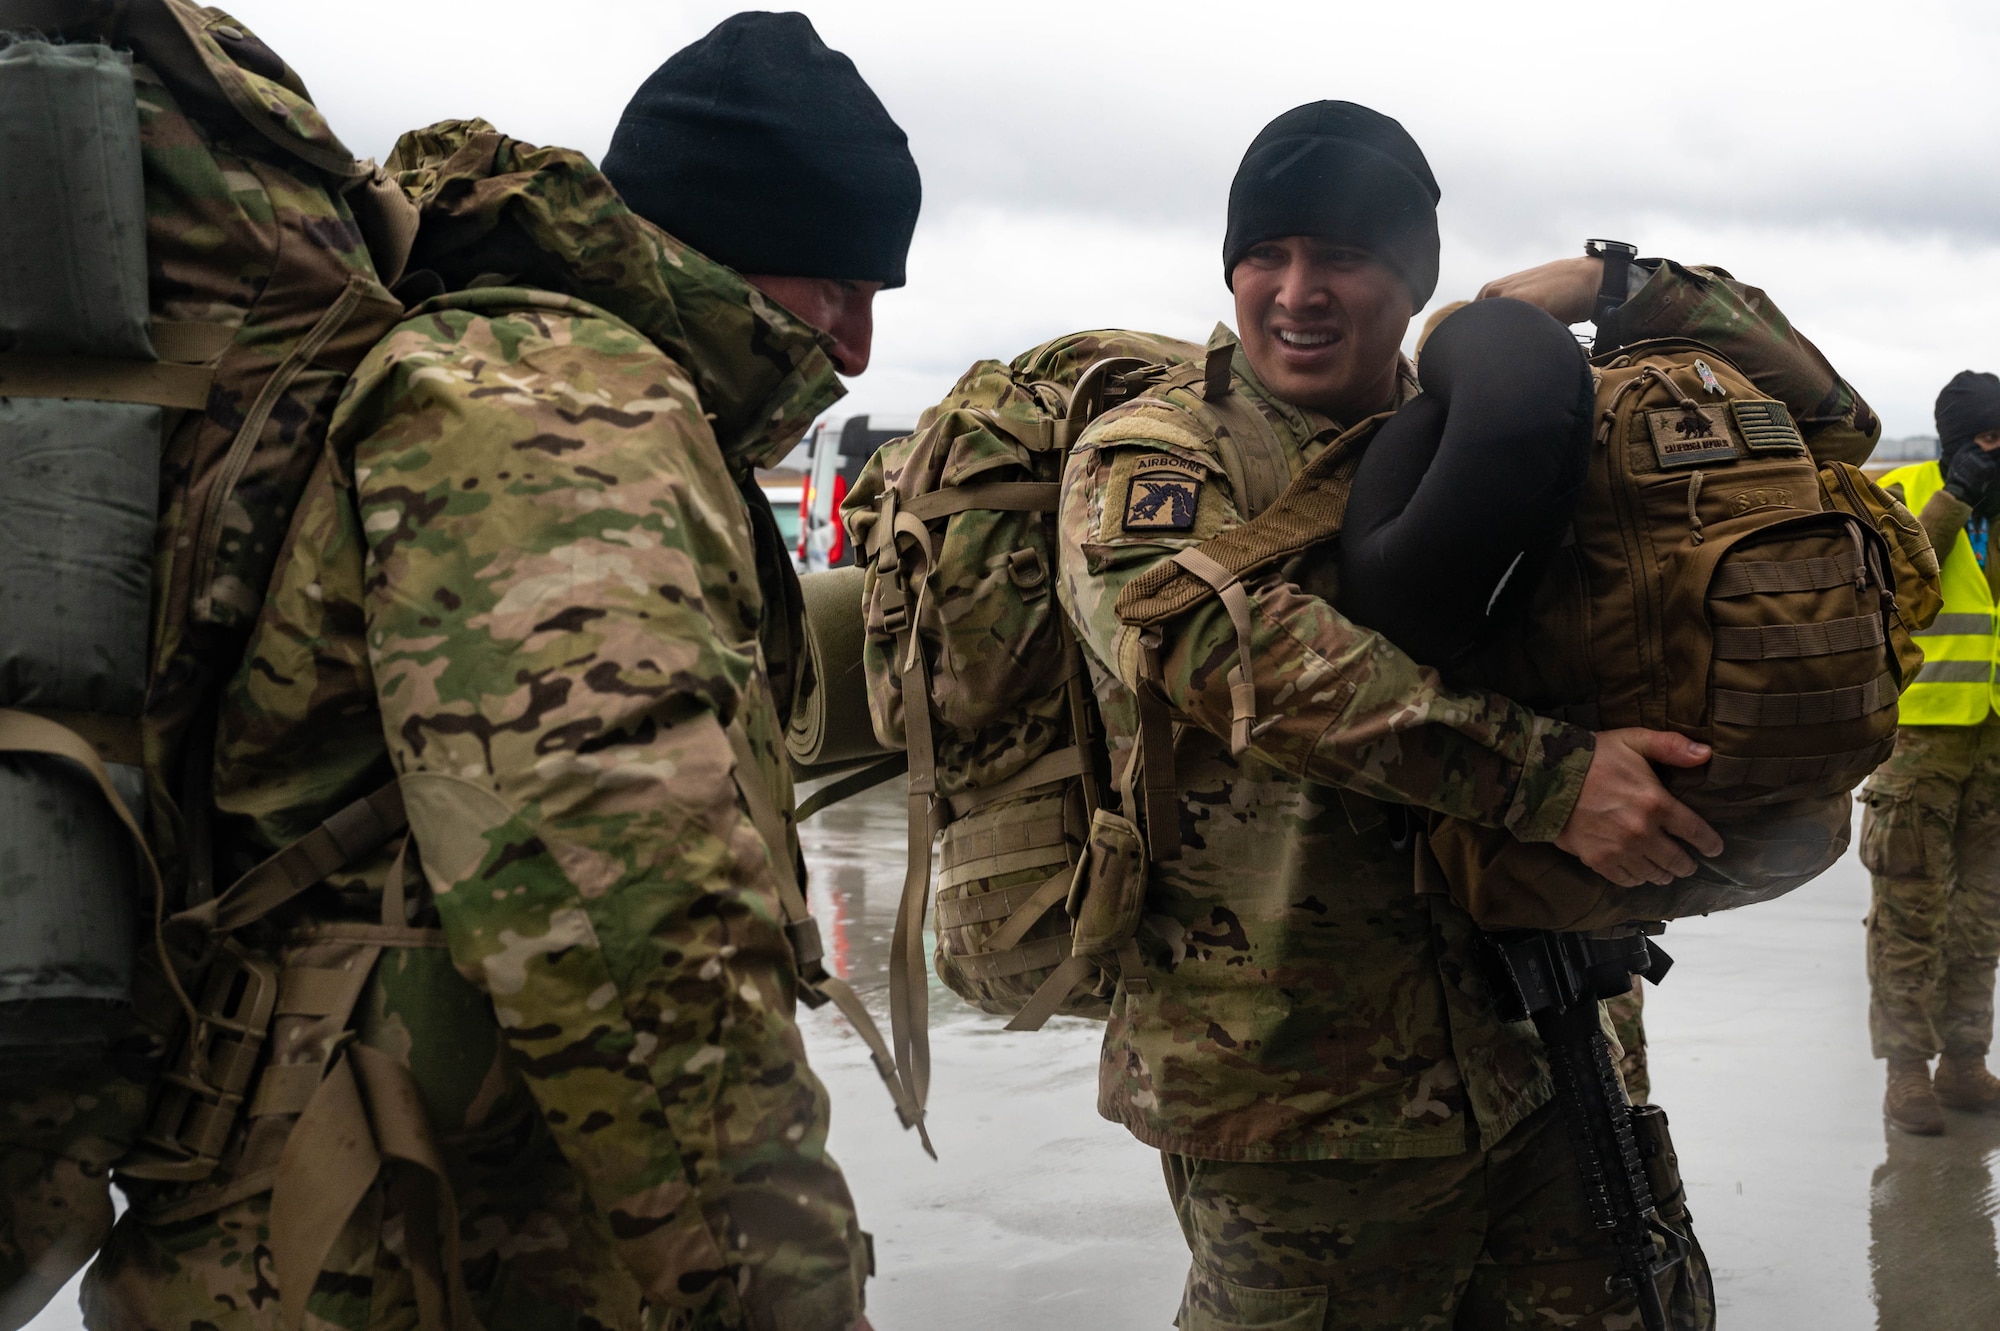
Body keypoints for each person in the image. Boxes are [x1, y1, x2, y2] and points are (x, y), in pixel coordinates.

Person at [83, 13, 916, 1331]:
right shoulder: (550, 393)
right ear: (735, 248)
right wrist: (788, 1293)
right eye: (842, 289)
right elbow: (621, 899)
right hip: (392, 1250)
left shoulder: (507, 368)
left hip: (381, 1222)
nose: (856, 348)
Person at [1053, 100, 1868, 1329]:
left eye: (1340, 256)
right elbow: (1203, 637)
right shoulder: (1161, 450)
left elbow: (1822, 425)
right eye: (1262, 256)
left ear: (1411, 277)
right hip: (1302, 1101)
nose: (1295, 290)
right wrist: (1547, 778)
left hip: (1546, 1045)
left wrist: (1614, 284)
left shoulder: (1526, 418)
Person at [1866, 370, 2000, 1136]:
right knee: (1909, 915)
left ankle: (1964, 1062)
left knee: (1981, 918)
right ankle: (1906, 1073)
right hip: (1917, 742)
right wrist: (1956, 496)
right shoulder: (1904, 491)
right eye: (1989, 439)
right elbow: (1895, 587)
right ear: (1960, 438)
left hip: (1993, 739)